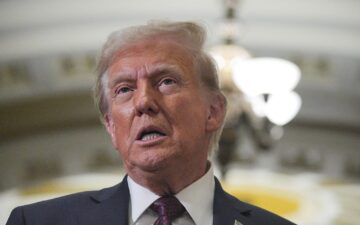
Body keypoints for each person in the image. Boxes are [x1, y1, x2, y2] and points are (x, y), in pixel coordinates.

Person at [6, 21, 295, 225]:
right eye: (124, 89)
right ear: (111, 126)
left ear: (214, 111)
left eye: (166, 81)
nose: (143, 102)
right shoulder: (36, 222)